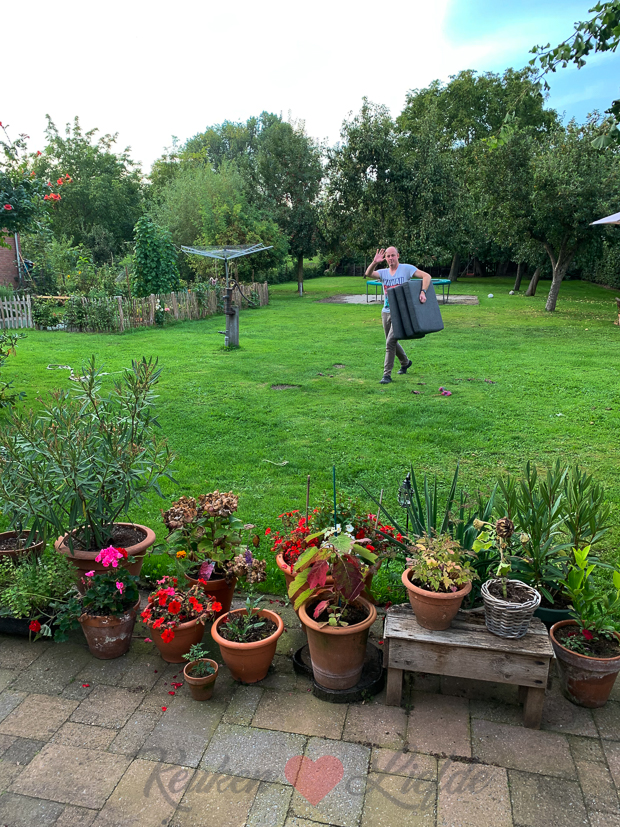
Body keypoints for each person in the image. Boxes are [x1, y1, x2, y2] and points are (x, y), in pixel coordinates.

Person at [365, 247, 432, 384]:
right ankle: (405, 362)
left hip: (401, 313)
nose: (390, 258)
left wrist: (423, 292)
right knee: (391, 342)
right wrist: (374, 262)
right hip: (386, 312)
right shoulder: (383, 272)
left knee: (390, 342)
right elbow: (368, 273)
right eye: (388, 256)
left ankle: (386, 375)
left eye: (393, 255)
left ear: (398, 256)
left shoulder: (407, 269)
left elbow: (427, 276)